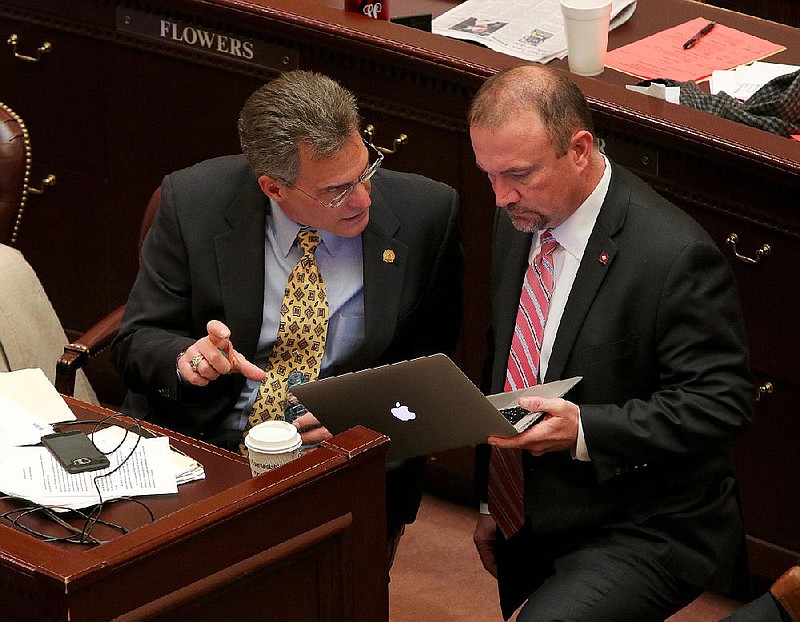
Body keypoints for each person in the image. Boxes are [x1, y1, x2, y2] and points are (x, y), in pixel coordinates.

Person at [111, 70, 463, 565]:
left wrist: (366, 414)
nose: (364, 199)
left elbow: (437, 370)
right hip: (204, 447)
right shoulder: (194, 203)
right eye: (337, 191)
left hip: (337, 455)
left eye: (366, 172)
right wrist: (186, 360)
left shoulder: (428, 212)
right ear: (274, 188)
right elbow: (137, 340)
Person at [468, 64, 756, 621]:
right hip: (548, 505)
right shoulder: (522, 216)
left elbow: (723, 402)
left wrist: (586, 429)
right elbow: (504, 360)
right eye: (489, 175)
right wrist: (493, 497)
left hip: (649, 518)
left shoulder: (673, 255)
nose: (501, 196)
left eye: (519, 175)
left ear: (579, 149)